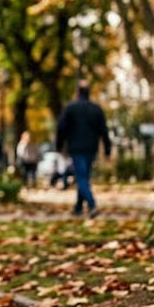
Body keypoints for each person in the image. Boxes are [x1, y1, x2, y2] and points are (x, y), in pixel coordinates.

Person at [56, 79, 111, 218]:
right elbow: (104, 131)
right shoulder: (96, 109)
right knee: (84, 176)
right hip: (91, 148)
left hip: (76, 148)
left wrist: (59, 146)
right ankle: (78, 207)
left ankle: (92, 205)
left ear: (77, 92)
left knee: (81, 177)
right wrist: (107, 150)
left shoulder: (70, 108)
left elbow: (61, 128)